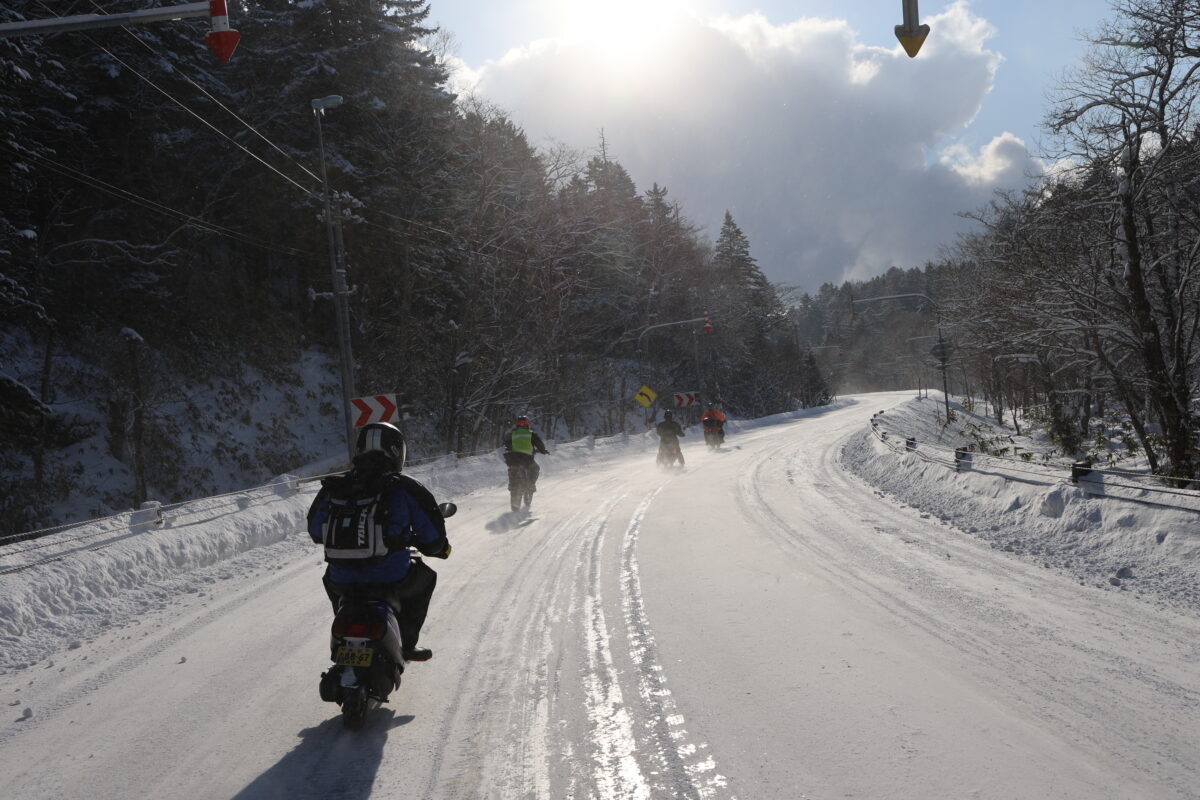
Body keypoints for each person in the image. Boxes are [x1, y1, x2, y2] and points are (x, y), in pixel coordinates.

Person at [307, 421, 451, 662]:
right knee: (426, 579)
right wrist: (438, 548)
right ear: (396, 452)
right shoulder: (404, 487)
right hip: (392, 577)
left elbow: (315, 531)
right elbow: (433, 540)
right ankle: (407, 645)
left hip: (341, 579)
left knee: (330, 579)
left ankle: (346, 629)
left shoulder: (337, 486)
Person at [502, 415, 550, 496]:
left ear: (517, 424)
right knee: (536, 468)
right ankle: (531, 485)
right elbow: (539, 444)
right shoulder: (531, 434)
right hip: (527, 458)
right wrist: (543, 450)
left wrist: (509, 447)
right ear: (528, 424)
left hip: (514, 458)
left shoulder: (512, 434)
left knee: (512, 469)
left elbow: (506, 443)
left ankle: (512, 484)